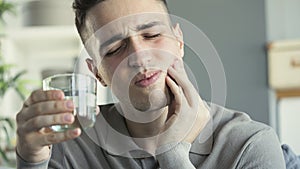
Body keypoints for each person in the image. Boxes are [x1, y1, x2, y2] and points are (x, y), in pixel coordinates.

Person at [16, 0, 288, 168]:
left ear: (179, 41)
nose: (138, 56)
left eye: (152, 34)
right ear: (97, 73)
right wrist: (30, 159)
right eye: (114, 49)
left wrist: (172, 152)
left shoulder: (249, 146)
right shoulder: (70, 146)